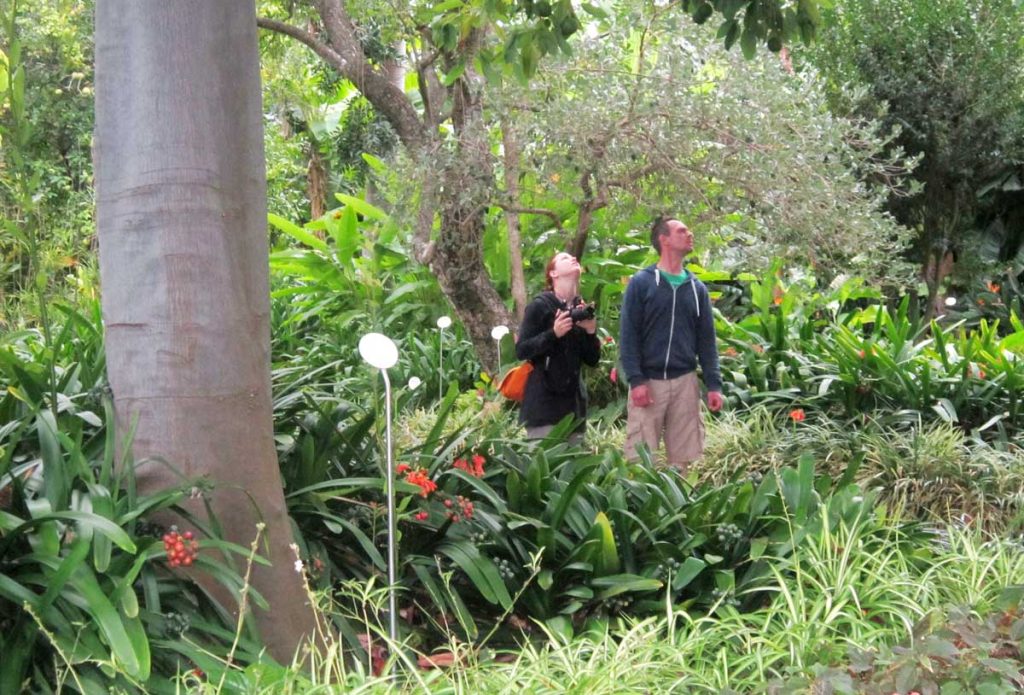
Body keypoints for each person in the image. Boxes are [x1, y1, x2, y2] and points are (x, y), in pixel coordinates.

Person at [619, 217, 723, 471]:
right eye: (682, 231)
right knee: (640, 460)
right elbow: (628, 335)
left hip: (685, 383)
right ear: (664, 240)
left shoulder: (697, 289)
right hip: (648, 383)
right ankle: (642, 508)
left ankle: (683, 508)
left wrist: (713, 385)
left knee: (685, 461)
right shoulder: (642, 283)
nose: (690, 234)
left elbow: (706, 341)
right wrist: (636, 380)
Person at [515, 251, 601, 442]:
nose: (572, 258)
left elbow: (592, 359)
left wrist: (590, 332)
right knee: (544, 468)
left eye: (573, 257)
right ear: (553, 274)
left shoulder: (581, 309)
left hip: (574, 410)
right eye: (564, 258)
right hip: (544, 408)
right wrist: (554, 333)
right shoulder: (540, 306)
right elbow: (522, 350)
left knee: (574, 468)